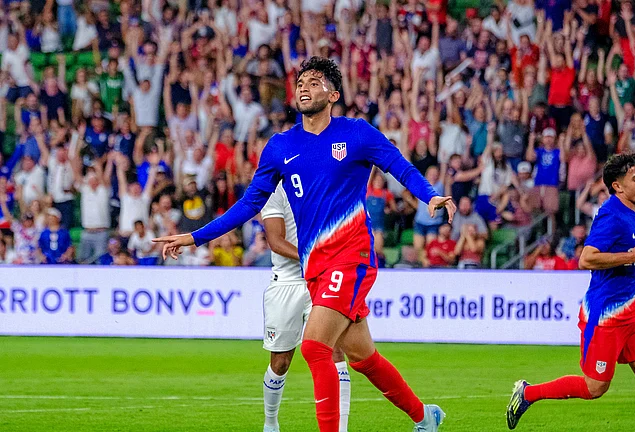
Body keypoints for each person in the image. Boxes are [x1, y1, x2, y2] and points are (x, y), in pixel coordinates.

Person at [154, 57, 455, 432]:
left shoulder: (357, 133)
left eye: (314, 82)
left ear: (333, 94)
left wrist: (429, 195)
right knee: (364, 358)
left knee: (314, 347)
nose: (304, 86)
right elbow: (250, 204)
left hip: (352, 256)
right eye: (301, 82)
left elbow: (398, 165)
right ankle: (426, 417)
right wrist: (194, 236)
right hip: (316, 267)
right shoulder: (280, 146)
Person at [507, 152, 635, 432]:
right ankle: (528, 393)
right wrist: (632, 257)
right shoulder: (610, 215)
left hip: (630, 309)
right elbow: (587, 258)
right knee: (595, 387)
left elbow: (624, 255)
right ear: (618, 186)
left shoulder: (634, 208)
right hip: (605, 315)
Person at [260, 181, 352, 432]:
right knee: (280, 363)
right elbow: (276, 241)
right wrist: (314, 254)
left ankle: (340, 429)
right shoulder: (273, 190)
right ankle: (271, 423)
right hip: (286, 283)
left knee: (333, 351)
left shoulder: (321, 181)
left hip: (321, 279)